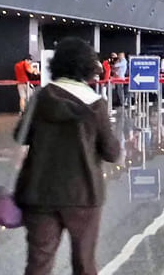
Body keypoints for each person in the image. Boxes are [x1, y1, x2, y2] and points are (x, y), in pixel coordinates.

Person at [15, 37, 121, 275]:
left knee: (38, 264)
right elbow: (112, 153)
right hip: (83, 193)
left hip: (39, 191)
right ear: (87, 66)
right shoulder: (96, 105)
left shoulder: (40, 99)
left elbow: (20, 136)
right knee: (84, 263)